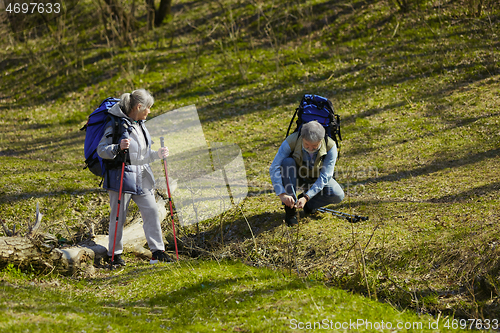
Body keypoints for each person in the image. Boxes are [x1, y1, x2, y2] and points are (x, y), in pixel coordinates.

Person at [97, 88, 172, 265]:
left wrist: (156, 154)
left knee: (152, 211)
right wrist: (117, 147)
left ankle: (158, 252)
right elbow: (101, 150)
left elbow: (142, 154)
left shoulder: (140, 124)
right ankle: (114, 254)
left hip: (142, 176)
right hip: (120, 177)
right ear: (139, 106)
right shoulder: (115, 123)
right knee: (119, 216)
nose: (150, 111)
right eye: (148, 107)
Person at [269, 120, 344, 226]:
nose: (310, 149)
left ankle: (309, 205)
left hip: (316, 178)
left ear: (321, 140)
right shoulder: (292, 140)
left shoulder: (331, 146)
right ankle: (290, 211)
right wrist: (282, 194)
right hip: (295, 175)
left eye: (314, 146)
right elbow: (274, 167)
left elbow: (325, 176)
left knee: (338, 195)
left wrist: (306, 197)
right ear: (302, 138)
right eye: (306, 145)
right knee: (287, 162)